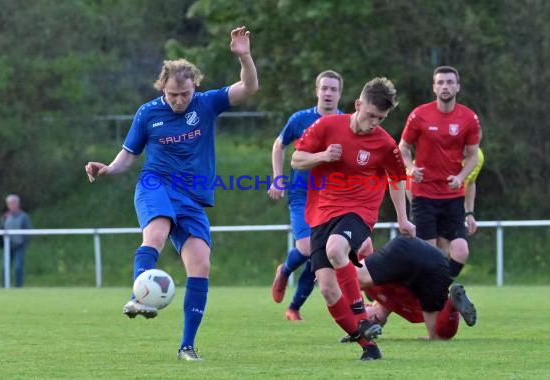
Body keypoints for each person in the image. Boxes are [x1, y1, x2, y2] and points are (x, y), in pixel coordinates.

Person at [85, 26, 258, 361]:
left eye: (185, 94)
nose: (179, 100)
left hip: (192, 198)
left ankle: (187, 347)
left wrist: (245, 56)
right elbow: (129, 156)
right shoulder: (148, 113)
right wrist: (107, 168)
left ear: (195, 87)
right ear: (162, 88)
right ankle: (139, 294)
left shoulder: (207, 104)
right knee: (157, 232)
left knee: (201, 265)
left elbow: (249, 87)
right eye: (172, 94)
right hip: (155, 184)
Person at [292, 77, 416, 361]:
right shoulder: (327, 126)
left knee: (336, 249)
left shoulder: (385, 143)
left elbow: (397, 179)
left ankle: (362, 318)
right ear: (358, 104)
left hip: (360, 210)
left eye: (381, 118)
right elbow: (296, 159)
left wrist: (403, 218)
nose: (375, 122)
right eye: (371, 115)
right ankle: (369, 348)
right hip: (322, 211)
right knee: (326, 288)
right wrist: (323, 156)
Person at [268, 70, 343, 321]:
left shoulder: (347, 122)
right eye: (325, 88)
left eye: (333, 89)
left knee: (319, 258)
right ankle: (285, 270)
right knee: (307, 247)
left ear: (340, 93)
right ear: (317, 91)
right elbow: (280, 145)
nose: (328, 93)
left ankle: (294, 307)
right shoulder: (301, 119)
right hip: (301, 194)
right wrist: (278, 178)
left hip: (332, 197)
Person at [399, 66, 480, 277]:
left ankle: (440, 290)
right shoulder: (419, 115)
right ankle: (430, 296)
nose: (445, 86)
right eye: (441, 82)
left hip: (453, 196)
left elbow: (473, 156)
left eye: (450, 82)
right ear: (434, 88)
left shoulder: (469, 118)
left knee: (460, 251)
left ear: (458, 87)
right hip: (424, 194)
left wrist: (461, 177)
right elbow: (403, 149)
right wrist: (411, 167)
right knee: (431, 253)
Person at [339, 236, 477, 343]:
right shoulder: (410, 313)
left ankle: (325, 272)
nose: (372, 321)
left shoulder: (371, 289)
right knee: (437, 336)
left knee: (349, 282)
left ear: (365, 305)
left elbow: (366, 242)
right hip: (436, 263)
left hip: (405, 250)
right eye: (373, 324)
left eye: (365, 320)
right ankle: (452, 303)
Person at [0, 194, 32, 287]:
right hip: (7, 246)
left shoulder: (24, 217)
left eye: (13, 203)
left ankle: (18, 286)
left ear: (18, 204)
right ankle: (4, 286)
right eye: (9, 203)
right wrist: (1, 244)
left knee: (18, 266)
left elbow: (28, 231)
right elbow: (1, 231)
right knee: (5, 267)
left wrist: (24, 243)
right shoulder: (5, 217)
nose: (11, 205)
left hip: (19, 246)